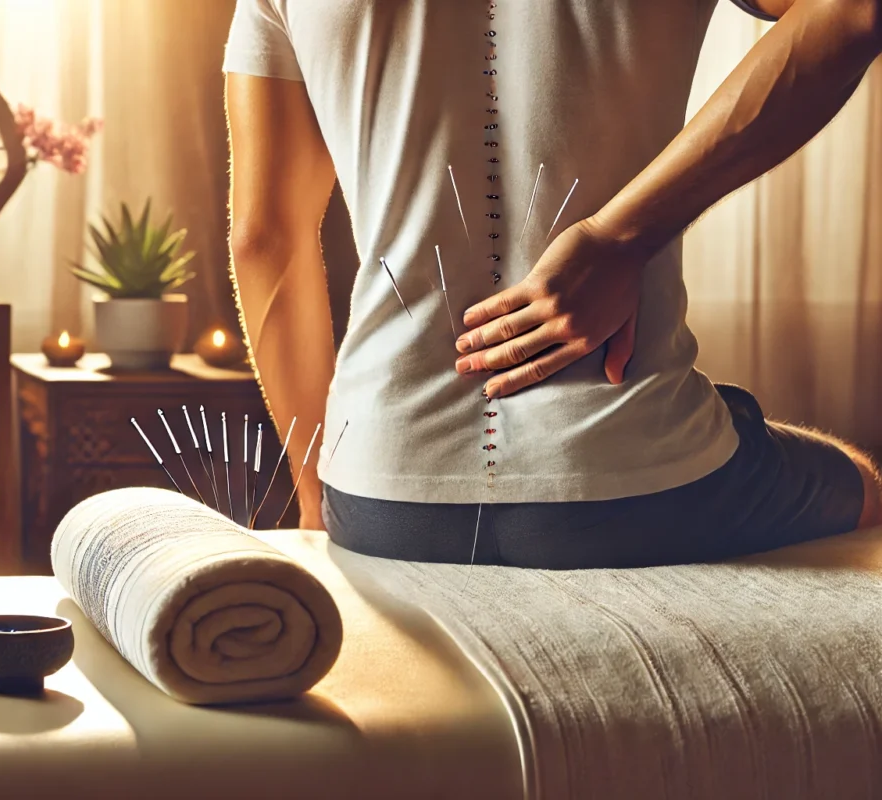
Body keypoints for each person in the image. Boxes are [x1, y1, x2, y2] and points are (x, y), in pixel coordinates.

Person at [224, 0, 882, 568]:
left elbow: (264, 238)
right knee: (863, 482)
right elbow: (853, 12)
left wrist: (317, 500)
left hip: (377, 490)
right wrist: (620, 237)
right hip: (639, 481)